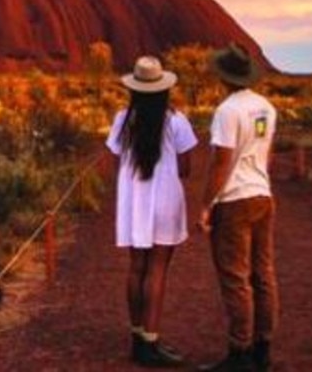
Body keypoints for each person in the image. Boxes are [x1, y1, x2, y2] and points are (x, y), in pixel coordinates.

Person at [106, 55, 198, 368]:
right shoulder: (175, 120)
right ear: (163, 88)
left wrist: (130, 182)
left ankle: (136, 338)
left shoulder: (122, 119)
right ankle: (151, 342)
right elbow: (186, 167)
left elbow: (115, 162)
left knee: (136, 267)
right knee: (157, 268)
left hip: (132, 200)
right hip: (165, 199)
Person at [197, 43, 278, 372]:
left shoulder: (227, 110)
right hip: (262, 195)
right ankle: (263, 349)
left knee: (235, 277)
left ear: (223, 77)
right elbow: (267, 153)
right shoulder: (267, 107)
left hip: (234, 201)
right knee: (264, 274)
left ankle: (239, 353)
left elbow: (220, 161)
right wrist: (259, 180)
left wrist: (206, 205)